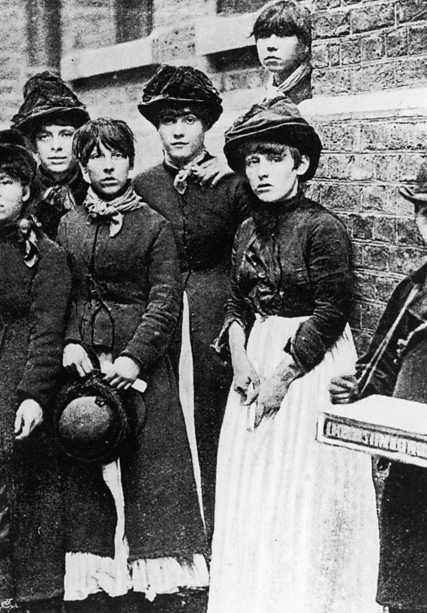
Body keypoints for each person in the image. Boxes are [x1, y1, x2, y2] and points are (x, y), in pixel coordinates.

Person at [207, 96, 380, 613]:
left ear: (300, 164)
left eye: (274, 158)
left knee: (303, 487)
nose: (260, 171)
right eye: (252, 161)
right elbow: (237, 300)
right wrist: (239, 355)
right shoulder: (245, 229)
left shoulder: (322, 227)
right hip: (257, 355)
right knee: (254, 485)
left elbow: (332, 311)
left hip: (311, 363)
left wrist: (282, 375)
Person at [57, 118, 207, 613]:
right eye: (95, 156)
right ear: (83, 165)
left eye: (116, 155)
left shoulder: (153, 225)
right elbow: (68, 293)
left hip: (138, 367)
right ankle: (101, 576)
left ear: (129, 160)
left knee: (149, 469)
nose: (107, 165)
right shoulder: (70, 224)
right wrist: (72, 341)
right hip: (85, 367)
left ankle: (157, 582)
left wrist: (133, 356)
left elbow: (165, 302)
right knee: (89, 464)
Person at [330, 151, 427, 613]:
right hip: (415, 475)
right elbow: (382, 368)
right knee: (415, 594)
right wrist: (358, 394)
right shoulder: (412, 290)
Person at [134, 64, 252, 537]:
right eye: (168, 120)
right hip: (162, 316)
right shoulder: (143, 186)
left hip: (214, 318)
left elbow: (252, 253)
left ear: (207, 125)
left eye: (189, 119)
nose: (179, 130)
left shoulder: (233, 184)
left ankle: (224, 534)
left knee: (216, 421)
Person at [0, 129, 71, 613]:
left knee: (15, 489)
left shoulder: (48, 257)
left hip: (15, 378)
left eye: (4, 181)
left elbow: (48, 334)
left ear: (26, 190)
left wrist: (31, 394)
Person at [11, 71, 90, 238]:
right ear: (33, 144)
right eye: (45, 137)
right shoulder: (15, 201)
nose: (56, 147)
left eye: (66, 135)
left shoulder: (98, 196)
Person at [253, 0, 312, 104]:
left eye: (283, 35)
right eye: (264, 36)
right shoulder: (269, 93)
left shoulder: (313, 89)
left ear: (305, 44)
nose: (271, 45)